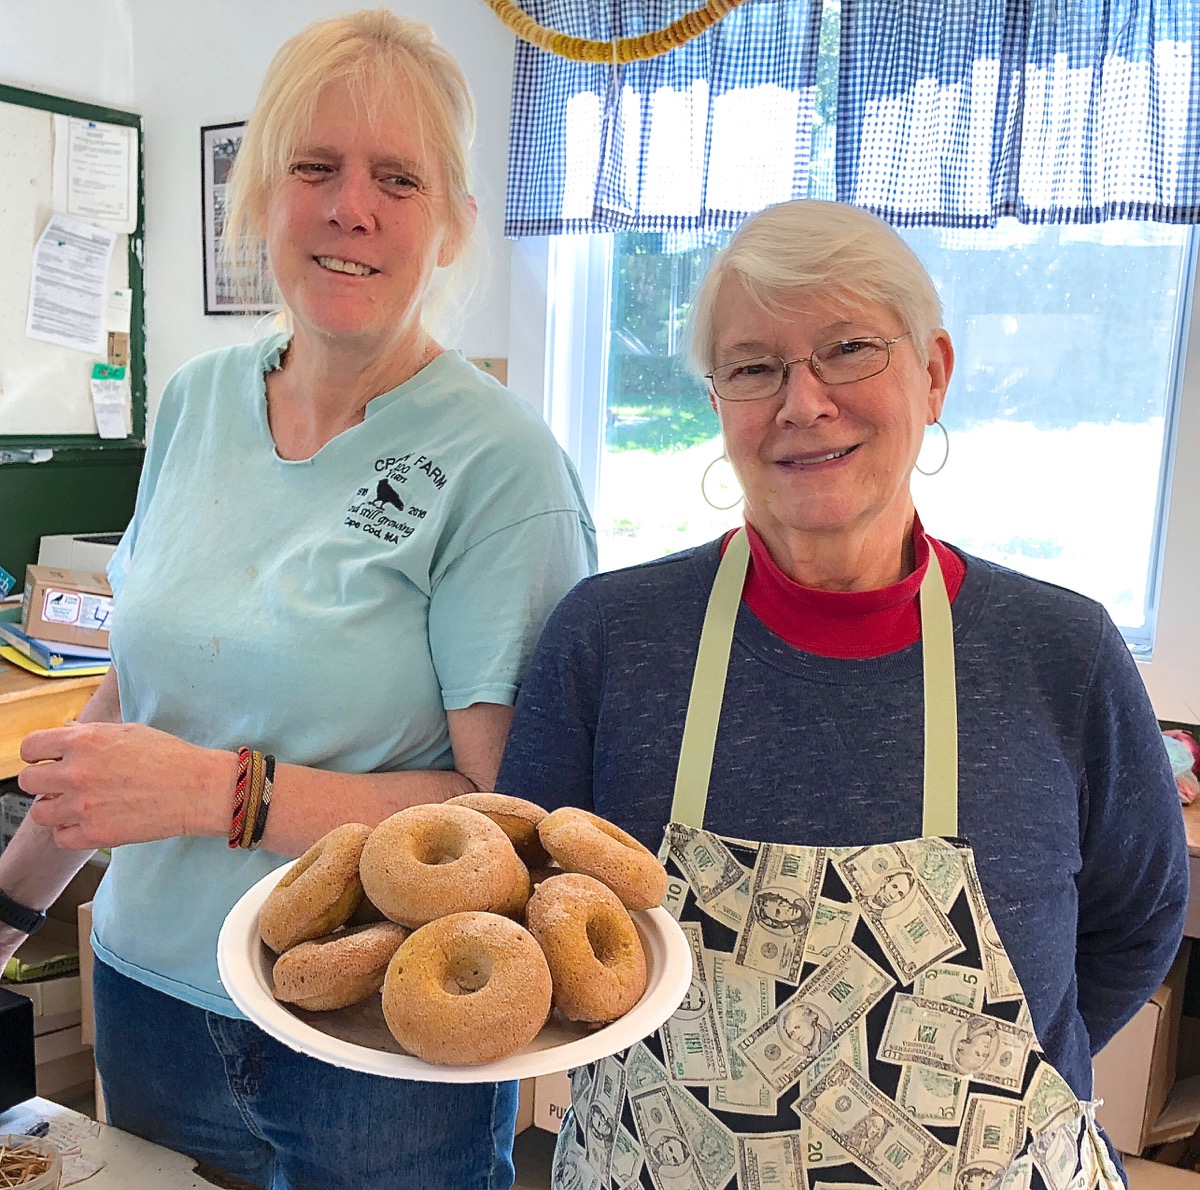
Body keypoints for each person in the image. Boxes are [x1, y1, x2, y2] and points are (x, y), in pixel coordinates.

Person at [0, 12, 595, 1190]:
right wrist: (9, 904)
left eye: (397, 177)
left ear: (453, 223)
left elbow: (506, 819)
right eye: (313, 167)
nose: (349, 207)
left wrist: (225, 792)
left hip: (374, 1039)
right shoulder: (197, 399)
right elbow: (134, 694)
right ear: (260, 196)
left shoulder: (500, 463)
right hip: (146, 994)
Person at [498, 200, 1187, 1188]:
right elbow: (534, 915)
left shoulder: (1061, 652)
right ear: (718, 401)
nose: (803, 400)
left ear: (935, 371)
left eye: (849, 348)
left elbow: (1140, 920)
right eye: (753, 365)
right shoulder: (610, 639)